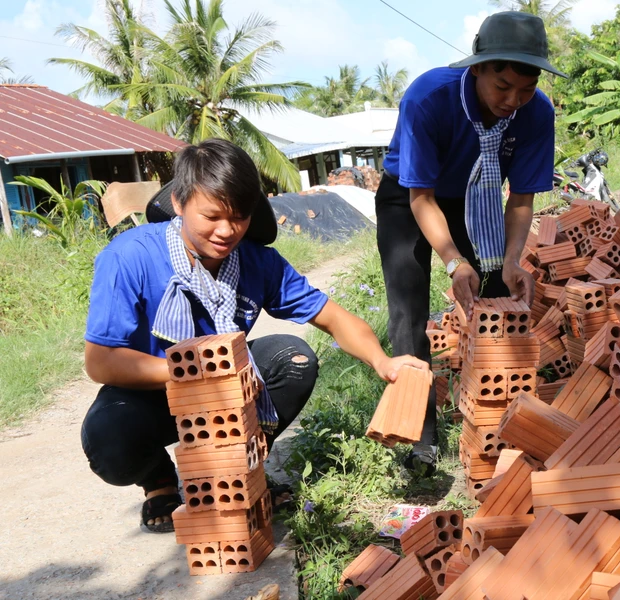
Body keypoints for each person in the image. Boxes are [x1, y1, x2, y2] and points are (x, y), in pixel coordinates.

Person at [81, 138, 427, 533]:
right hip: (153, 395)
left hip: (231, 392)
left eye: (240, 217)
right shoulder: (129, 257)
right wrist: (198, 370)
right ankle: (158, 479)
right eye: (211, 216)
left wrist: (382, 361)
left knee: (293, 358)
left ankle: (243, 466)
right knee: (108, 437)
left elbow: (333, 318)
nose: (227, 231)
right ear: (178, 202)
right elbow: (101, 361)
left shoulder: (257, 261)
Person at [375, 11, 565, 474]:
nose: (513, 100)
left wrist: (512, 260)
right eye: (502, 86)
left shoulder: (536, 113)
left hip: (474, 198)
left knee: (497, 296)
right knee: (409, 313)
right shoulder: (430, 97)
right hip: (410, 196)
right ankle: (420, 439)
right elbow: (421, 198)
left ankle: (496, 418)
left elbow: (520, 198)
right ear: (477, 66)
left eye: (526, 88)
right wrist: (453, 261)